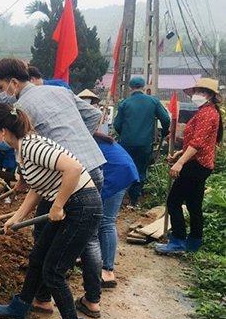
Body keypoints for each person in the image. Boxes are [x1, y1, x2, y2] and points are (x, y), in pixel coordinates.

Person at [0, 58, 105, 316]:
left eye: (1, 86)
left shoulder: (20, 108)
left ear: (14, 82)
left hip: (65, 175)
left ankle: (42, 298)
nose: (2, 92)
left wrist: (61, 155)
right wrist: (76, 144)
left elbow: (28, 144)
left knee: (44, 236)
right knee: (89, 238)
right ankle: (93, 300)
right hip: (93, 167)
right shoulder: (60, 90)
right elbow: (94, 114)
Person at [0, 103, 102, 319]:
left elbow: (73, 168)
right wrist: (16, 217)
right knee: (38, 256)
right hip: (73, 205)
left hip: (82, 206)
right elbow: (37, 187)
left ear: (3, 131)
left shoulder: (33, 146)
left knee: (54, 271)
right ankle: (21, 306)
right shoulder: (23, 150)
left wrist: (58, 205)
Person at [156, 78, 224, 254]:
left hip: (196, 165)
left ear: (210, 96)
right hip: (201, 164)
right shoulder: (206, 112)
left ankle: (178, 241)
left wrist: (180, 163)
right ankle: (194, 242)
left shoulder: (207, 114)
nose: (197, 95)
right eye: (196, 91)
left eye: (201, 92)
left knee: (174, 202)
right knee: (194, 205)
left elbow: (198, 143)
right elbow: (198, 142)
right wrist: (180, 154)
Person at [113, 76, 171, 208]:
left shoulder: (124, 103)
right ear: (144, 88)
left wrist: (125, 134)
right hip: (144, 143)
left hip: (126, 143)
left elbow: (117, 125)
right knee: (140, 170)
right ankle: (134, 201)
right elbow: (166, 119)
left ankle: (120, 200)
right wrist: (165, 131)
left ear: (129, 89)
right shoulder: (153, 101)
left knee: (125, 168)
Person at [93, 132, 138, 287]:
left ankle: (107, 271)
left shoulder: (83, 142)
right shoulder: (90, 138)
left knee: (106, 221)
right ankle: (93, 257)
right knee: (96, 217)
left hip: (118, 174)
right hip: (119, 170)